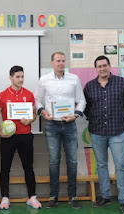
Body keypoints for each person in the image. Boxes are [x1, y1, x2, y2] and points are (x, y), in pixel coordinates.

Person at [34, 52, 86, 209]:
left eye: (63, 61)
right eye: (58, 61)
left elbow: (81, 100)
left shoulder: (74, 79)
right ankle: (53, 196)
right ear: (52, 62)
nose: (61, 63)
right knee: (54, 161)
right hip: (52, 125)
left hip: (69, 125)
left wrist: (76, 115)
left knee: (72, 161)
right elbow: (36, 99)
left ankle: (72, 196)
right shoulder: (44, 80)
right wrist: (43, 111)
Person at [84, 55, 124, 214]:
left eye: (104, 65)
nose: (102, 68)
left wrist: (120, 117)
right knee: (102, 165)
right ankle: (105, 196)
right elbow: (86, 107)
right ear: (96, 68)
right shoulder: (90, 86)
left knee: (121, 166)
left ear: (109, 66)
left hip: (117, 131)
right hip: (97, 132)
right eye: (99, 66)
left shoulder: (121, 83)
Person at [0, 66, 41, 210]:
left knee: (28, 167)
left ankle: (32, 197)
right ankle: (5, 197)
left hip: (25, 135)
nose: (21, 80)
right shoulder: (2, 95)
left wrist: (30, 121)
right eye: (18, 77)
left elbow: (33, 114)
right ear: (11, 78)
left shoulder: (29, 94)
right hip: (8, 137)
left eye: (22, 77)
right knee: (5, 168)